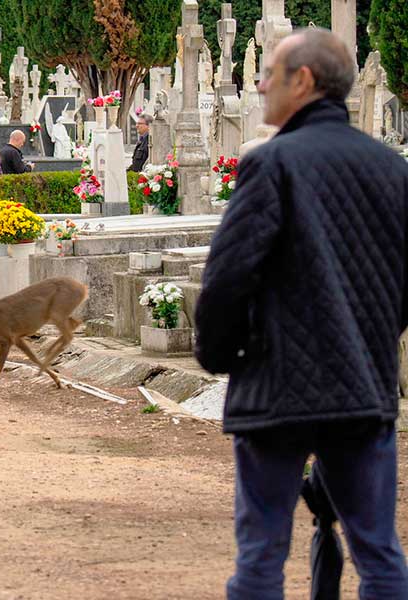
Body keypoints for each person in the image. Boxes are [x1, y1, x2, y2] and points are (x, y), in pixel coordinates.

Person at [194, 28, 408, 600]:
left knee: (262, 557)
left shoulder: (272, 164)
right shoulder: (394, 170)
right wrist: (373, 340)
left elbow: (229, 276)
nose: (260, 84)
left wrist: (222, 355)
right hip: (362, 389)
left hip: (276, 388)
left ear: (304, 81)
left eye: (270, 73)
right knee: (380, 555)